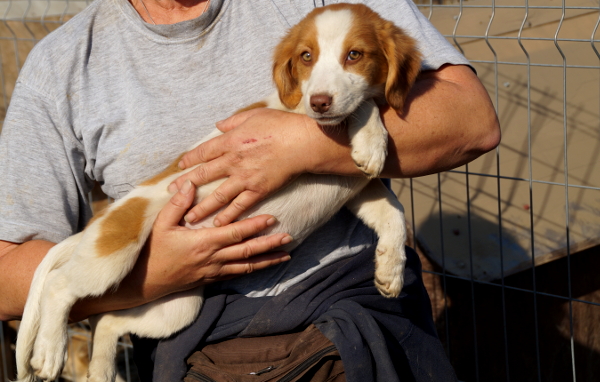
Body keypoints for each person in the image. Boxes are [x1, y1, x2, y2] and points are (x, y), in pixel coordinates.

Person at [0, 0, 500, 380]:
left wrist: (303, 144)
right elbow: (5, 274)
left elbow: (473, 122)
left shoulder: (329, 15)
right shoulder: (63, 66)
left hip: (353, 316)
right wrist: (156, 274)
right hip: (202, 339)